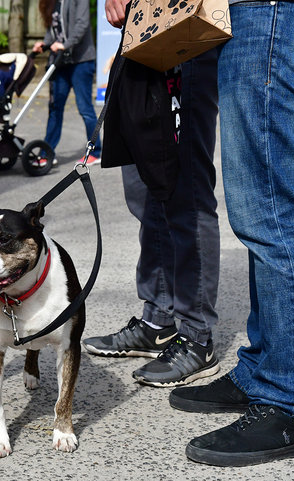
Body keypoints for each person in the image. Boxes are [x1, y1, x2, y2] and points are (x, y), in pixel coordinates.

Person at [105, 0, 294, 466]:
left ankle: (290, 405)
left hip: (278, 16)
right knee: (258, 213)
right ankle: (263, 371)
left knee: (271, 213)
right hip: (264, 18)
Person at [83, 49, 222, 389]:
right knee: (144, 192)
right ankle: (159, 322)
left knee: (185, 192)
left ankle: (196, 337)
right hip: (141, 43)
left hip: (187, 38)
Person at [32, 0, 101, 167]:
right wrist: (45, 44)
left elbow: (82, 24)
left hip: (81, 61)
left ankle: (96, 151)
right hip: (59, 62)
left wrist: (65, 44)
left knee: (85, 109)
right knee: (55, 108)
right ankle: (47, 153)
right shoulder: (51, 2)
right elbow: (53, 29)